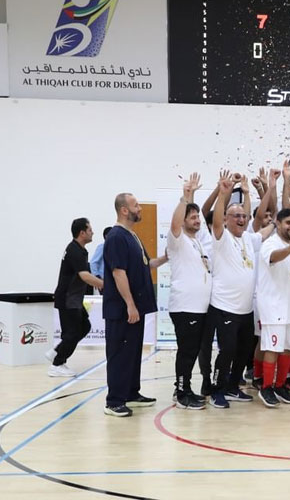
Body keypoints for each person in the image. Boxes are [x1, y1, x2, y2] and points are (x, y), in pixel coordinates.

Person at [207, 172, 271, 408]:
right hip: (225, 307)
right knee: (227, 351)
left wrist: (275, 220)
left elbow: (262, 227)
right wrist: (223, 194)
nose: (242, 219)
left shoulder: (249, 239)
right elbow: (216, 220)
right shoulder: (221, 237)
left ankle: (233, 387)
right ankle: (217, 390)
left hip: (245, 309)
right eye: (236, 216)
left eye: (244, 216)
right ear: (226, 219)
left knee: (243, 352)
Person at [103, 193, 167, 417]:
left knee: (131, 352)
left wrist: (166, 257)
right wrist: (130, 304)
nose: (140, 208)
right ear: (124, 210)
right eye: (136, 205)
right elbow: (118, 273)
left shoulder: (133, 236)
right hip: (121, 310)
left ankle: (130, 392)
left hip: (135, 309)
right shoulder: (116, 237)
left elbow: (146, 264)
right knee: (119, 354)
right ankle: (114, 401)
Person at [167, 173, 212, 410]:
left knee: (192, 351)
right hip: (185, 307)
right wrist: (184, 198)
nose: (197, 220)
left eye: (198, 217)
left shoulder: (197, 241)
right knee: (186, 352)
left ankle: (185, 388)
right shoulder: (178, 240)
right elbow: (175, 224)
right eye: (192, 217)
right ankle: (182, 393)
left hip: (199, 307)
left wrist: (192, 197)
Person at [255, 208, 290, 407]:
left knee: (286, 348)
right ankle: (266, 387)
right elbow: (273, 257)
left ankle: (280, 385)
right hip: (273, 305)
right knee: (272, 347)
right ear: (278, 223)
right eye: (288, 223)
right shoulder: (271, 243)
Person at [47, 218, 104, 377]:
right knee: (71, 333)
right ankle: (57, 364)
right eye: (90, 229)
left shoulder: (80, 250)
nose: (93, 232)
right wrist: (104, 284)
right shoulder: (74, 250)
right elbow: (84, 275)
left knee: (84, 327)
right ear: (82, 233)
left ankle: (58, 352)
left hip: (75, 299)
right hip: (67, 298)